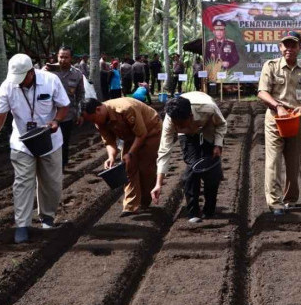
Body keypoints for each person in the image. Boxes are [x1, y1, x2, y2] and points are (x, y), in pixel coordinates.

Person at [0, 54, 70, 244]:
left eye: (23, 77)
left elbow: (64, 106)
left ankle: (47, 218)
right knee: (22, 183)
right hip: (22, 142)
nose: (20, 82)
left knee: (51, 182)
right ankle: (22, 225)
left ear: (31, 72)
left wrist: (57, 120)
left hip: (50, 140)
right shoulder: (8, 86)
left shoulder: (50, 80)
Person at [257, 30, 301, 215]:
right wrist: (278, 106)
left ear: (300, 48)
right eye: (286, 45)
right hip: (275, 119)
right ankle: (275, 202)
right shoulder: (271, 66)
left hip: (296, 120)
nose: (289, 49)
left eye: (293, 45)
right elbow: (262, 92)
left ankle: (290, 199)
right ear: (280, 47)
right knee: (273, 161)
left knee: (294, 162)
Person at [152, 93, 227, 223]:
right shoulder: (170, 121)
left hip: (207, 127)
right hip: (187, 136)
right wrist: (158, 184)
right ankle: (193, 211)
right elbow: (164, 150)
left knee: (212, 170)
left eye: (181, 124)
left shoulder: (208, 108)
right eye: (177, 125)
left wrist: (218, 144)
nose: (179, 127)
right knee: (193, 168)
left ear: (190, 116)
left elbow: (221, 124)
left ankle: (209, 210)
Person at [80, 97, 162, 216]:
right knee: (129, 167)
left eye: (94, 119)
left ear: (98, 109)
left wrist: (130, 153)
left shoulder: (125, 109)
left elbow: (141, 134)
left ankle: (145, 202)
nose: (95, 123)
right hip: (130, 136)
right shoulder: (99, 121)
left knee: (145, 168)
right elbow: (109, 142)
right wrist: (111, 157)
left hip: (151, 130)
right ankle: (130, 206)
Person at [46, 46, 85, 168]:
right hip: (48, 115)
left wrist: (80, 113)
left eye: (66, 57)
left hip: (67, 115)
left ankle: (62, 166)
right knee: (48, 142)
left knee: (63, 142)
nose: (63, 59)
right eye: (60, 57)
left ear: (71, 58)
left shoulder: (77, 74)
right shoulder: (47, 71)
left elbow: (80, 95)